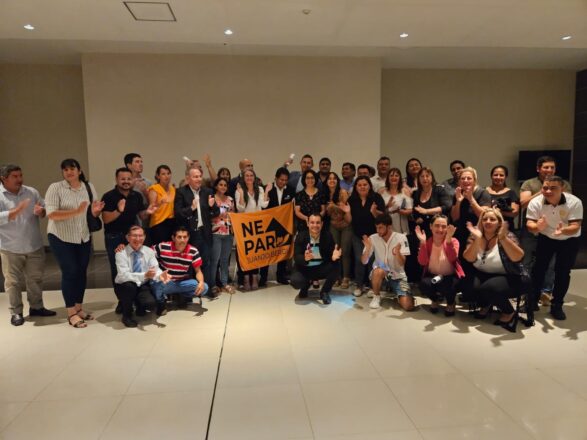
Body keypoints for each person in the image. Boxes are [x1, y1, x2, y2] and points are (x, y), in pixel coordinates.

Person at [45, 158, 104, 328]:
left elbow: (92, 211)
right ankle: (71, 313)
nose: (69, 172)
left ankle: (79, 308)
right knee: (70, 271)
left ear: (79, 170)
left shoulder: (88, 186)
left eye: (72, 168)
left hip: (83, 235)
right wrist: (76, 211)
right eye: (65, 170)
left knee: (81, 272)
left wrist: (95, 212)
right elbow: (51, 214)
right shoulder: (55, 188)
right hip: (60, 236)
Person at [0, 164, 55, 326]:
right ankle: (16, 312)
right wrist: (14, 212)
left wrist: (42, 211)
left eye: (20, 175)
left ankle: (36, 307)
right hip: (10, 247)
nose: (19, 179)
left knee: (35, 279)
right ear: (3, 179)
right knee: (12, 282)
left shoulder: (31, 192)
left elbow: (44, 207)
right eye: (15, 176)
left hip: (34, 245)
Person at [526, 176, 582, 320]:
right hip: (546, 237)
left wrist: (563, 230)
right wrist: (537, 227)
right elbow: (530, 225)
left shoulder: (574, 202)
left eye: (553, 188)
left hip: (569, 239)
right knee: (538, 269)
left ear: (562, 189)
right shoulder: (536, 202)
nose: (548, 191)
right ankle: (532, 301)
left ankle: (557, 305)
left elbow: (575, 226)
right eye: (545, 188)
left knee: (562, 272)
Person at [519, 155, 571, 307]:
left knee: (550, 264)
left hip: (552, 231)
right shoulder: (529, 183)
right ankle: (526, 291)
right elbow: (523, 203)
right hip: (531, 229)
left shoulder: (563, 183)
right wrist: (544, 191)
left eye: (552, 167)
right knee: (526, 261)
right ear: (538, 169)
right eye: (546, 167)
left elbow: (568, 202)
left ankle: (546, 292)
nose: (549, 170)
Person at [463, 208, 526, 331]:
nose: (488, 221)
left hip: (508, 275)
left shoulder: (507, 235)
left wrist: (503, 238)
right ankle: (486, 304)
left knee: (490, 288)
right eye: (485, 219)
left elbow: (518, 257)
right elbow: (469, 258)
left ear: (499, 223)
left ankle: (508, 311)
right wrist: (477, 239)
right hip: (483, 273)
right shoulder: (475, 234)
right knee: (468, 287)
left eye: (492, 219)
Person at [102, 167, 156, 285]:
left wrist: (148, 212)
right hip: (114, 236)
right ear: (116, 179)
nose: (126, 181)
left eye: (128, 179)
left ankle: (135, 293)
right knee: (117, 269)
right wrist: (118, 210)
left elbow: (141, 215)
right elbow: (106, 219)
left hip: (131, 237)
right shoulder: (108, 196)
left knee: (135, 265)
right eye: (123, 179)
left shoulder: (136, 195)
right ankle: (121, 295)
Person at [114, 226, 171, 327]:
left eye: (140, 236)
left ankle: (138, 304)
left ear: (144, 237)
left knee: (150, 304)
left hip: (142, 284)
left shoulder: (149, 251)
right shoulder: (121, 253)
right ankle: (126, 315)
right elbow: (123, 276)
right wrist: (144, 275)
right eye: (134, 236)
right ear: (127, 238)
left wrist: (160, 276)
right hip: (124, 286)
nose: (138, 239)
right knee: (129, 286)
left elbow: (155, 269)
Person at [174, 167, 220, 292]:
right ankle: (189, 291)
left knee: (206, 262)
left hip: (205, 233)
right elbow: (178, 213)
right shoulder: (181, 192)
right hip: (189, 235)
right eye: (195, 176)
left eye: (200, 176)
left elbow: (216, 212)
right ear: (188, 178)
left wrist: (212, 207)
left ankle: (207, 289)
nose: (199, 179)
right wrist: (191, 208)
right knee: (189, 264)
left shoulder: (207, 191)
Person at [361, 214, 414, 310]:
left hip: (398, 276)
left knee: (408, 306)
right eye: (376, 227)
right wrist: (368, 249)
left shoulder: (401, 238)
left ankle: (397, 293)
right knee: (378, 271)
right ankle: (376, 296)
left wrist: (397, 253)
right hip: (381, 274)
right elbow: (364, 261)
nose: (378, 230)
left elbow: (402, 263)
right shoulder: (373, 238)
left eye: (380, 228)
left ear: (389, 227)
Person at [152, 226, 209, 313]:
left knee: (204, 287)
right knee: (155, 284)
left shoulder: (193, 251)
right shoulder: (163, 246)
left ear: (188, 238)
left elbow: (198, 271)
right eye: (179, 237)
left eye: (185, 237)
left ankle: (182, 295)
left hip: (181, 283)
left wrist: (201, 282)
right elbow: (148, 253)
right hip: (166, 282)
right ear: (173, 238)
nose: (182, 240)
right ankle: (161, 302)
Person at [416, 215, 464, 316]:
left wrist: (448, 240)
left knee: (449, 286)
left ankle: (451, 303)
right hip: (433, 276)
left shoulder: (454, 241)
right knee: (424, 284)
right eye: (437, 226)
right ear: (431, 226)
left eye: (443, 226)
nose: (440, 229)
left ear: (447, 228)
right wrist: (423, 243)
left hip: (450, 277)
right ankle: (435, 300)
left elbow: (453, 258)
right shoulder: (427, 242)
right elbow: (422, 262)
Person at [291, 213, 342, 305]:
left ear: (322, 224)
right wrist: (304, 258)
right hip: (305, 269)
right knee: (296, 281)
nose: (315, 225)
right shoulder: (301, 236)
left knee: (336, 265)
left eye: (318, 223)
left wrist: (334, 257)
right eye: (312, 222)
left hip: (320, 268)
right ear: (308, 223)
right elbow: (296, 256)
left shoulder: (327, 235)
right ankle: (305, 286)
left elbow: (332, 252)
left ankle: (324, 292)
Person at [348, 176, 385, 296]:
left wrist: (374, 212)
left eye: (365, 184)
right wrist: (346, 211)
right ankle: (359, 285)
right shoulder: (352, 200)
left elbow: (383, 217)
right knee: (359, 259)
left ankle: (372, 286)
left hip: (373, 236)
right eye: (359, 185)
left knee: (372, 261)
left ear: (370, 186)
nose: (362, 187)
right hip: (358, 235)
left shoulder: (376, 197)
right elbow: (349, 219)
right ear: (356, 187)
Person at [259, 167, 295, 286]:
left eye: (285, 180)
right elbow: (263, 206)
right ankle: (263, 277)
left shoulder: (291, 190)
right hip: (269, 224)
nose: (283, 182)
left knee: (282, 249)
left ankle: (281, 275)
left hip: (284, 224)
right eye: (281, 180)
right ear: (275, 178)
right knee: (267, 251)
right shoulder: (267, 188)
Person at [235, 168, 270, 290]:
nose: (249, 178)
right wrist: (240, 193)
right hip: (244, 226)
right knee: (245, 253)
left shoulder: (259, 189)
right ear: (243, 178)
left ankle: (255, 276)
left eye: (251, 175)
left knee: (256, 251)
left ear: (254, 177)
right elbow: (240, 208)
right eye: (247, 176)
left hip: (257, 225)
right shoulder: (239, 190)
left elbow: (264, 204)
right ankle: (245, 277)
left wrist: (266, 191)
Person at [450, 166, 491, 256]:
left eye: (469, 178)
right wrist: (458, 202)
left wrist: (471, 199)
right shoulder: (457, 194)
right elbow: (454, 218)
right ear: (459, 182)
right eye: (462, 178)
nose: (465, 181)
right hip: (460, 234)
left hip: (477, 234)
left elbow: (484, 216)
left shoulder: (483, 193)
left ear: (474, 181)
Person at [323, 172, 352, 288]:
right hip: (333, 224)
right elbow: (325, 212)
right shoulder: (325, 193)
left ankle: (346, 277)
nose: (332, 180)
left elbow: (344, 209)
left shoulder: (343, 192)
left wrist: (333, 206)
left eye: (334, 178)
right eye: (329, 178)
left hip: (345, 224)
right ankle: (336, 277)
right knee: (335, 251)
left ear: (337, 181)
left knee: (345, 251)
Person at [210, 177, 235, 294]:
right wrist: (219, 215)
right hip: (216, 232)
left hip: (228, 233)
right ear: (216, 186)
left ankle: (225, 283)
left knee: (225, 260)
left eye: (225, 185)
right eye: (221, 184)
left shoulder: (230, 199)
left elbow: (233, 215)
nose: (223, 187)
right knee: (215, 260)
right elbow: (208, 214)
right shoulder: (211, 198)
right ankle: (213, 284)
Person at [147, 165, 176, 245]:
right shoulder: (154, 188)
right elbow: (152, 207)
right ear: (158, 176)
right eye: (163, 174)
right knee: (160, 248)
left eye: (168, 173)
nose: (166, 176)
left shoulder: (172, 188)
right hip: (159, 223)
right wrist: (160, 203)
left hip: (172, 221)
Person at [379, 168, 412, 235]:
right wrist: (387, 207)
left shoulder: (405, 191)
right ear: (388, 178)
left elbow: (410, 210)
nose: (394, 177)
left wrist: (400, 211)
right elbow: (378, 210)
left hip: (401, 224)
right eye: (391, 175)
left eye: (396, 176)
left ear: (400, 178)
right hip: (385, 223)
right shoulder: (381, 191)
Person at [486, 165, 519, 231]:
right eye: (495, 175)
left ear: (505, 177)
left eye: (501, 175)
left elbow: (515, 212)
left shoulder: (511, 192)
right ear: (491, 176)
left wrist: (500, 212)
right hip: (487, 228)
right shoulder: (484, 191)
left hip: (506, 229)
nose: (498, 177)